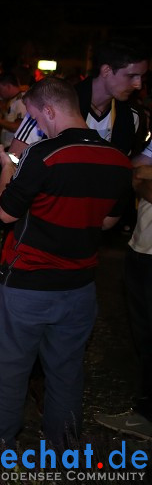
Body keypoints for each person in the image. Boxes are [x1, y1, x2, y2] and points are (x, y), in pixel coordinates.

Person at [0, 77, 132, 446]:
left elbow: (5, 214)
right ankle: (62, 449)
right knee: (66, 375)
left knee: (8, 373)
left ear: (50, 110)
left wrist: (6, 167)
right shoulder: (117, 159)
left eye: (35, 117)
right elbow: (109, 221)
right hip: (79, 287)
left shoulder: (45, 154)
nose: (37, 126)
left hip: (27, 285)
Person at [10, 38, 148, 159]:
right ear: (106, 70)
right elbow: (14, 158)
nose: (138, 84)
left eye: (141, 77)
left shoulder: (130, 116)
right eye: (131, 76)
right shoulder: (52, 104)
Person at [97, 145, 152, 438]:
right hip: (140, 249)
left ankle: (147, 416)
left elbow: (141, 175)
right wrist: (143, 174)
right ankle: (145, 413)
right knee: (143, 340)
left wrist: (145, 175)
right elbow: (134, 170)